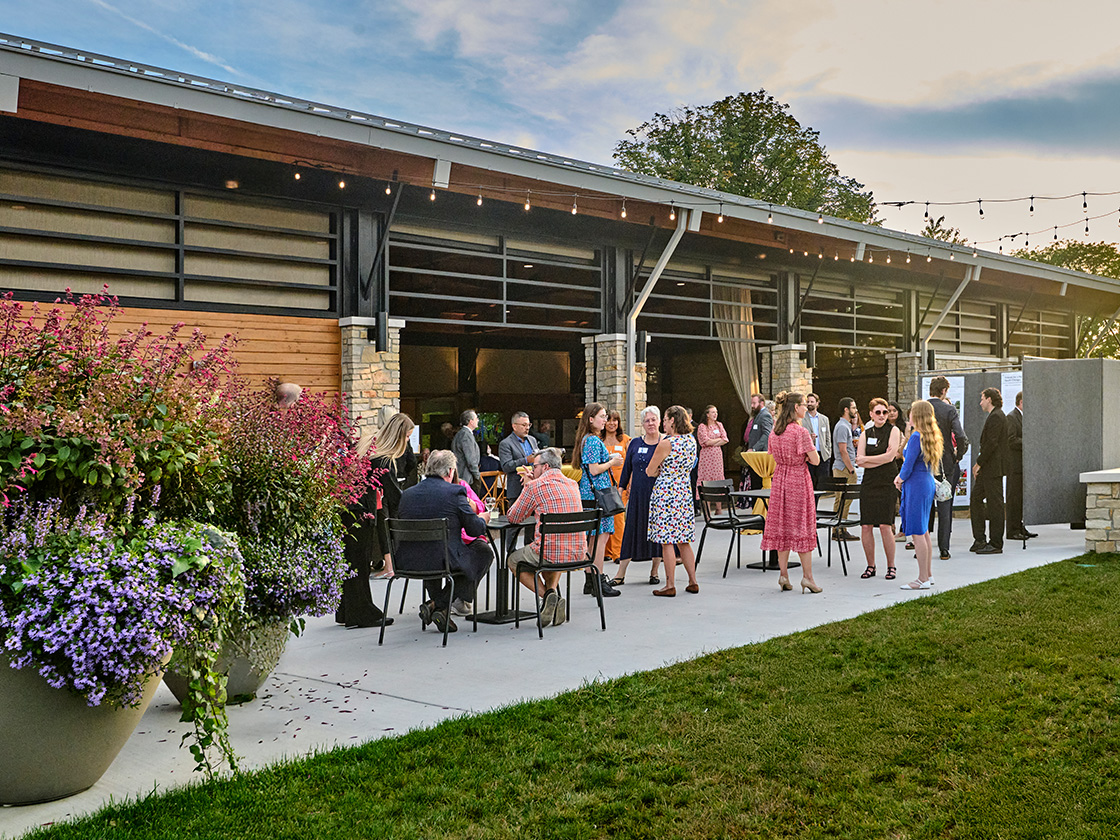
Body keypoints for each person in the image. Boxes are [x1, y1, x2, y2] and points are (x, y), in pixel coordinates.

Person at [396, 450, 493, 634]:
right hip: (443, 559)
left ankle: (438, 606)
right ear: (450, 471)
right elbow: (475, 529)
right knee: (483, 553)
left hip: (408, 560)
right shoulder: (455, 492)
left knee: (431, 550)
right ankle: (438, 605)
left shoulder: (407, 495)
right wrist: (484, 519)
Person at [505, 448, 584, 628]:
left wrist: (527, 485)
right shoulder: (573, 484)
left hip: (549, 552)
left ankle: (549, 597)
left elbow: (513, 517)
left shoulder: (534, 487)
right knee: (556, 548)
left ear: (545, 466)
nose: (532, 470)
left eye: (535, 466)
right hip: (577, 553)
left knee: (513, 560)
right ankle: (551, 594)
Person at [760, 391, 822, 593]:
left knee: (782, 525)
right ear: (796, 408)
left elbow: (773, 454)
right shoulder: (800, 432)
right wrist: (807, 451)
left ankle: (783, 574)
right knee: (802, 524)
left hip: (780, 479)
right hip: (798, 478)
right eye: (804, 405)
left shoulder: (775, 432)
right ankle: (808, 577)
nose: (806, 408)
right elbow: (815, 460)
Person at [335, 432, 394, 629]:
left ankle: (346, 611)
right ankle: (363, 612)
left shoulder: (354, 457)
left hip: (347, 509)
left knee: (350, 563)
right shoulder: (377, 459)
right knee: (360, 564)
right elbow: (391, 492)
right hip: (361, 511)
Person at [647, 405, 700, 597]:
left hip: (666, 493)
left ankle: (670, 584)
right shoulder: (691, 441)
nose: (663, 423)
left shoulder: (667, 443)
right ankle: (693, 580)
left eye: (665, 419)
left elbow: (650, 470)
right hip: (684, 492)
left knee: (667, 541)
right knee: (684, 540)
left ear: (672, 420)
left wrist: (660, 470)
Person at [573, 403, 623, 598]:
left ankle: (590, 579)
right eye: (602, 416)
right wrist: (612, 462)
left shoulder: (586, 439)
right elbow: (594, 469)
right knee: (601, 538)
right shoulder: (593, 440)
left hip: (589, 494)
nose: (606, 420)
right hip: (598, 495)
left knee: (593, 537)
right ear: (591, 419)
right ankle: (599, 580)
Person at [895, 400, 944, 591]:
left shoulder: (916, 437)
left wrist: (899, 478)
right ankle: (928, 574)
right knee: (923, 531)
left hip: (916, 484)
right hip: (926, 482)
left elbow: (907, 465)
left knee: (917, 532)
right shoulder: (929, 435)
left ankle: (922, 578)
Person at [615, 406, 664, 586]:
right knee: (631, 531)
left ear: (659, 421)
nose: (650, 423)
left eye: (653, 419)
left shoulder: (665, 442)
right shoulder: (635, 443)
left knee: (657, 533)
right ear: (642, 424)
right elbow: (627, 468)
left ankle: (655, 571)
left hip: (658, 494)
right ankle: (620, 573)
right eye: (647, 420)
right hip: (637, 494)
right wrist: (620, 489)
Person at [856, 398, 902, 581]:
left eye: (885, 412)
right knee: (866, 525)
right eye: (879, 412)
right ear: (871, 414)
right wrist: (878, 458)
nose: (883, 415)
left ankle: (891, 566)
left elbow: (891, 457)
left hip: (886, 482)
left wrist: (869, 460)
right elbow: (859, 460)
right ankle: (870, 565)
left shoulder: (894, 430)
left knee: (885, 525)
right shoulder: (865, 434)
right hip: (869, 483)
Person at [369, 412, 416, 579]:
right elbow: (394, 493)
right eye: (407, 436)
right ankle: (390, 566)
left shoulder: (375, 447)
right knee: (386, 528)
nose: (408, 440)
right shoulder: (385, 459)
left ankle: (389, 566)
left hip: (373, 499)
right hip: (377, 499)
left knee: (384, 528)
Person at [927, 376, 969, 560]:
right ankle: (944, 548)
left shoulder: (921, 408)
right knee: (945, 506)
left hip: (924, 461)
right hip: (945, 463)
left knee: (924, 506)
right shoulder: (949, 409)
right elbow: (960, 436)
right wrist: (957, 456)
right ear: (944, 391)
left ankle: (922, 545)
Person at [971, 387, 1008, 555]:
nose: (980, 402)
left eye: (982, 399)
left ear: (990, 400)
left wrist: (979, 463)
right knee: (976, 498)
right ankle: (980, 539)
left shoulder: (997, 417)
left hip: (992, 468)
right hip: (989, 468)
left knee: (995, 505)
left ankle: (995, 543)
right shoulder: (995, 416)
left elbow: (991, 443)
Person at [1005, 391, 1036, 541]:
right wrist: (1029, 441)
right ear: (1021, 402)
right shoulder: (1011, 417)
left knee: (1020, 498)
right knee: (1014, 497)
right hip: (1014, 465)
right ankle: (1012, 530)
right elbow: (1011, 440)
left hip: (1023, 465)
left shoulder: (1023, 418)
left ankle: (1019, 526)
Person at [601, 410, 631, 564]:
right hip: (604, 485)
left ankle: (618, 552)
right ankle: (606, 551)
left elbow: (631, 463)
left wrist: (630, 482)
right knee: (605, 517)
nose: (612, 423)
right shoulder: (598, 440)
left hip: (621, 485)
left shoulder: (625, 440)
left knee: (619, 519)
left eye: (615, 420)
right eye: (609, 420)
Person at [831, 397, 859, 541]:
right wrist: (851, 469)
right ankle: (840, 529)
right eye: (853, 408)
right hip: (844, 468)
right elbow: (843, 450)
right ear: (846, 409)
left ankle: (838, 529)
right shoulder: (842, 426)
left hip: (842, 467)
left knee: (841, 499)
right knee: (844, 499)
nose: (856, 410)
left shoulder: (845, 425)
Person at [499, 411, 539, 506]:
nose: (527, 428)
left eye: (529, 424)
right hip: (517, 489)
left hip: (535, 488)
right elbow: (506, 466)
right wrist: (526, 460)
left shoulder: (532, 440)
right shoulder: (506, 443)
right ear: (514, 426)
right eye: (524, 425)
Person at [696, 405, 729, 512]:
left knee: (718, 478)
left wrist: (713, 441)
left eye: (716, 412)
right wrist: (718, 441)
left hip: (717, 457)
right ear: (707, 414)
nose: (715, 414)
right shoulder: (702, 426)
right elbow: (705, 442)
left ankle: (719, 508)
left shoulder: (719, 425)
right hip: (706, 457)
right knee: (706, 479)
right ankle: (707, 509)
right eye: (713, 412)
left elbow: (725, 439)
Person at [742, 393, 773, 493]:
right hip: (755, 455)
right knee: (755, 483)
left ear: (762, 403)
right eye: (752, 403)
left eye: (754, 403)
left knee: (758, 484)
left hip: (761, 455)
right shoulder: (757, 415)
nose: (752, 406)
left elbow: (766, 434)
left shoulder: (765, 415)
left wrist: (754, 448)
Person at [801, 393, 831, 489]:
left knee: (821, 482)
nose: (809, 404)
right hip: (809, 455)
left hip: (822, 454)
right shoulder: (802, 419)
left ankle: (817, 502)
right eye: (808, 402)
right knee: (810, 482)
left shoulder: (824, 419)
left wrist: (828, 451)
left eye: (812, 402)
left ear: (817, 403)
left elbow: (828, 437)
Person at [452, 409, 483, 494]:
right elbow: (470, 459)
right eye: (476, 418)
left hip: (463, 476)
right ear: (470, 421)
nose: (478, 420)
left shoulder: (463, 434)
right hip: (466, 478)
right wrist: (477, 476)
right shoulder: (465, 435)